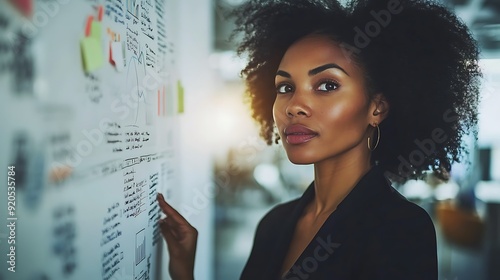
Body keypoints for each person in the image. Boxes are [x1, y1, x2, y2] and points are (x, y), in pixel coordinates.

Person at [156, 0, 481, 279]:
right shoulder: (273, 224)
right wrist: (184, 271)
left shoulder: (402, 230)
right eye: (285, 87)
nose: (294, 106)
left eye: (327, 85)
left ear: (377, 108)